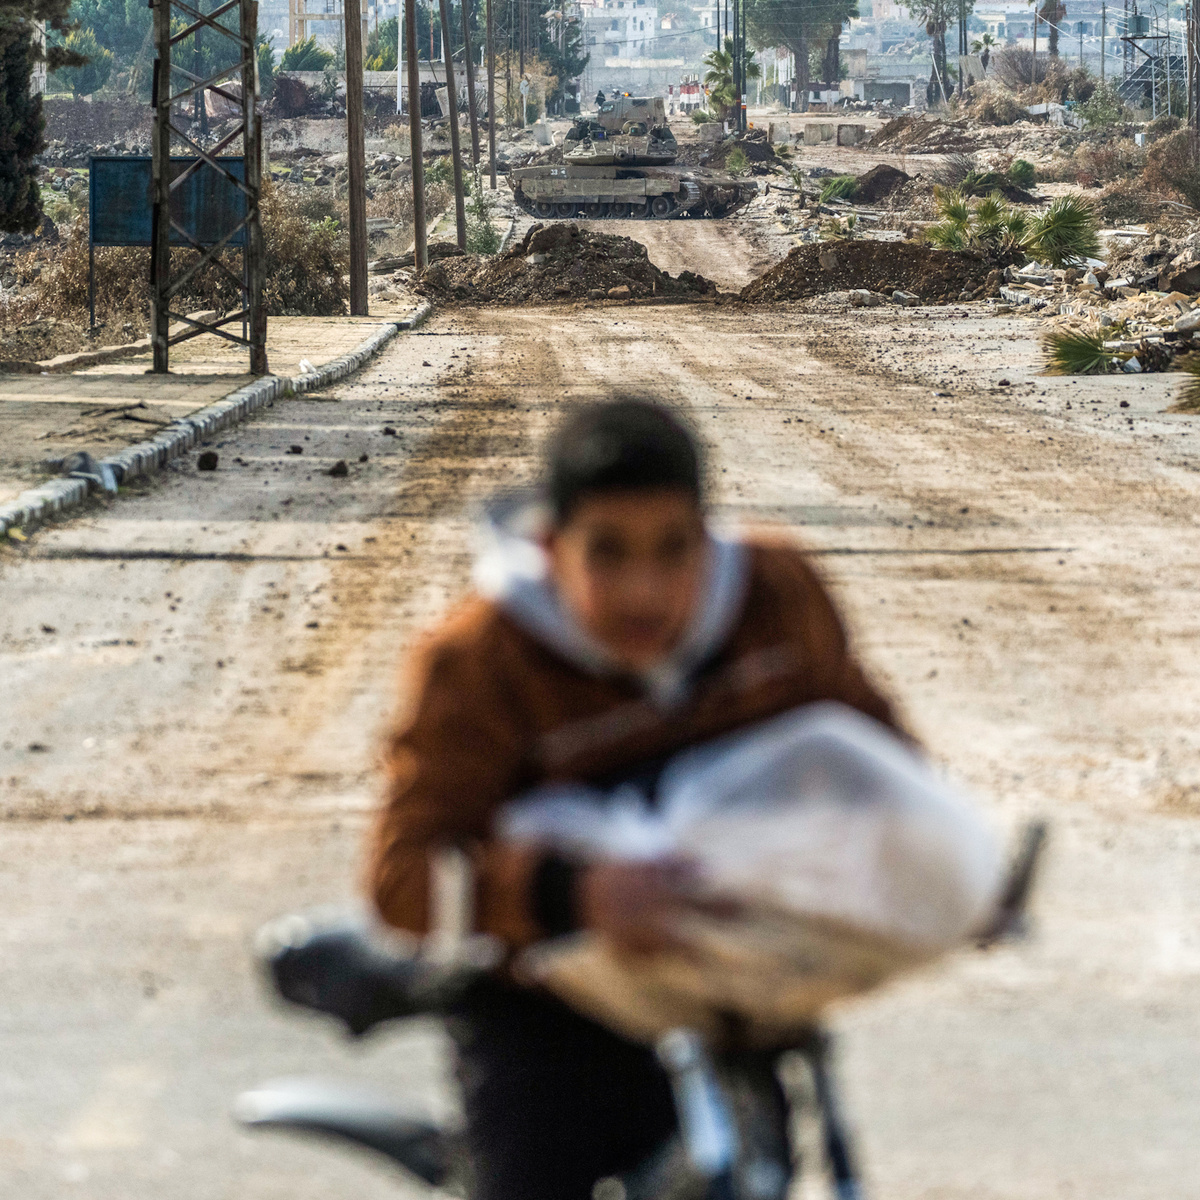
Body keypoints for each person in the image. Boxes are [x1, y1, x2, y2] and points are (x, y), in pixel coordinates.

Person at [368, 399, 901, 1200]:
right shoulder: (476, 662)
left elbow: (881, 759)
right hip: (547, 1012)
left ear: (705, 536)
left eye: (673, 550)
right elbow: (402, 876)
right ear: (552, 547)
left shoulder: (775, 597)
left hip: (733, 985)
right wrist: (570, 892)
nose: (643, 591)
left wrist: (942, 866)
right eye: (607, 553)